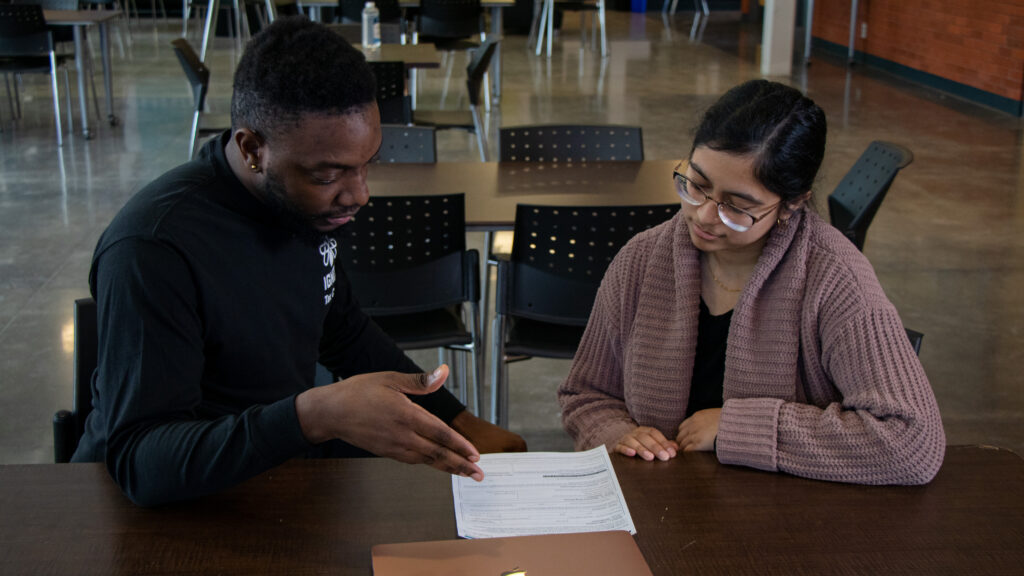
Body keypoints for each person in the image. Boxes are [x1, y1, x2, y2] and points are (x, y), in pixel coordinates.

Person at [73, 17, 525, 506]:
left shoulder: (305, 205)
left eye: (367, 163)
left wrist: (456, 418)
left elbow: (340, 327)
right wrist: (314, 415)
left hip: (276, 478)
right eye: (328, 174)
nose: (359, 194)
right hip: (161, 514)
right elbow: (142, 463)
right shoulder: (153, 249)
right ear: (252, 150)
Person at [557, 80, 945, 485]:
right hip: (662, 511)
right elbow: (586, 395)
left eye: (737, 207)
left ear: (791, 204)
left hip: (784, 525)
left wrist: (740, 429)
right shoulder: (641, 260)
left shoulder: (834, 279)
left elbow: (912, 442)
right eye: (697, 185)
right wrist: (620, 437)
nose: (705, 216)